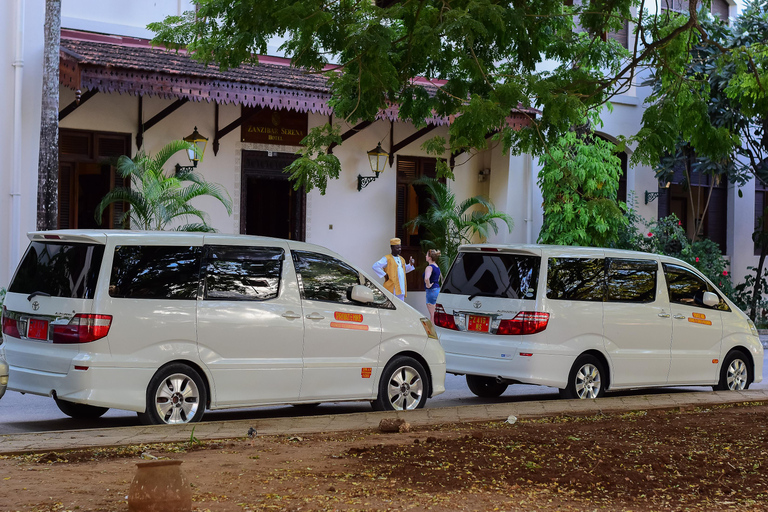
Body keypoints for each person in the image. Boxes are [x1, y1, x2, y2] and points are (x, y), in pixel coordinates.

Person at [423, 249, 441, 323]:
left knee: (432, 315)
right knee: (436, 314)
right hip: (437, 290)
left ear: (430, 257)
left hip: (431, 291)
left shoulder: (429, 267)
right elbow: (439, 278)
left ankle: (434, 333)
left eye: (427, 255)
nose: (425, 256)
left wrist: (428, 285)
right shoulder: (437, 267)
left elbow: (427, 278)